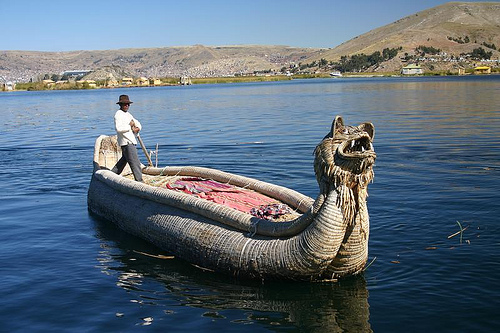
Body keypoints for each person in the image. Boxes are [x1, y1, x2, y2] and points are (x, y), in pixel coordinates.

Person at [111, 95, 143, 182]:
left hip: (131, 141)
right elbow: (119, 128)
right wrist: (130, 126)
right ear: (120, 105)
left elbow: (137, 123)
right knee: (135, 163)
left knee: (122, 162)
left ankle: (111, 175)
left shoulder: (128, 114)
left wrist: (137, 128)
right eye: (125, 104)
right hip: (126, 142)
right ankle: (139, 181)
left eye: (128, 104)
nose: (127, 106)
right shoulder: (118, 114)